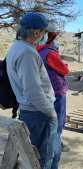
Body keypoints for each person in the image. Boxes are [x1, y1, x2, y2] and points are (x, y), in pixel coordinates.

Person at [6, 12, 58, 169]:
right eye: (44, 32)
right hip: (39, 114)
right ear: (36, 33)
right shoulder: (27, 53)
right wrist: (51, 112)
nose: (45, 35)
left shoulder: (17, 47)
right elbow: (32, 91)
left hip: (32, 112)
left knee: (34, 158)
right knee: (43, 159)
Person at [37, 24, 70, 168]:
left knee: (48, 127)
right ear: (51, 38)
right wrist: (65, 65)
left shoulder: (38, 51)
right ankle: (53, 161)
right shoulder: (51, 53)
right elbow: (64, 70)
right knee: (56, 128)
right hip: (57, 93)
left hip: (45, 93)